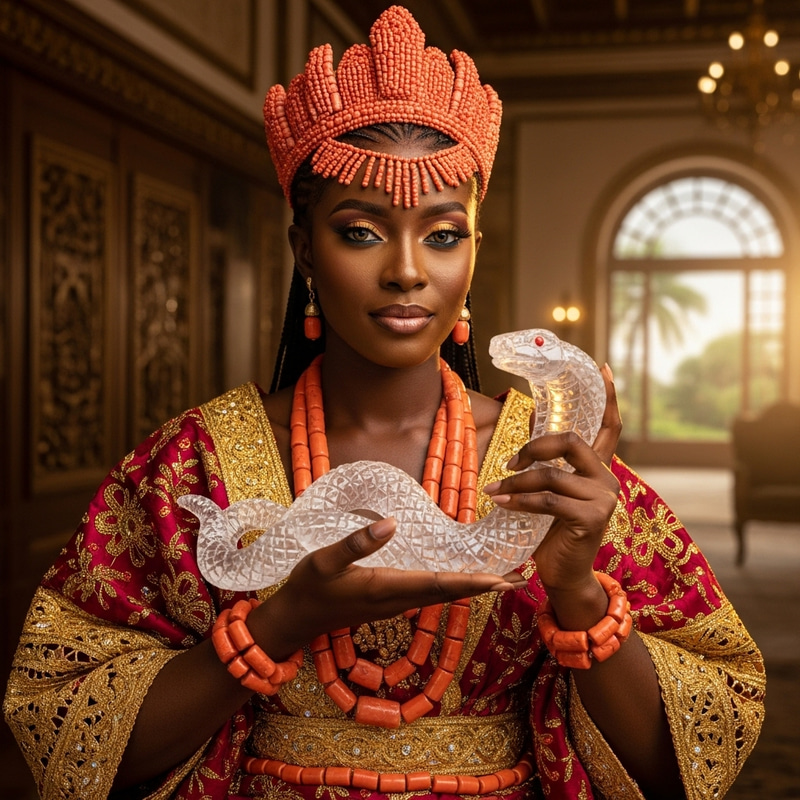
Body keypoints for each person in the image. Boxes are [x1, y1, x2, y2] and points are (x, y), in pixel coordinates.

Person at [4, 6, 764, 800]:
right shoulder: (192, 461)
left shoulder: (546, 471)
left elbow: (686, 764)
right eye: (361, 232)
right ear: (304, 249)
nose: (407, 271)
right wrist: (283, 621)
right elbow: (73, 744)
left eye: (442, 235)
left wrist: (574, 589)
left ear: (473, 248)